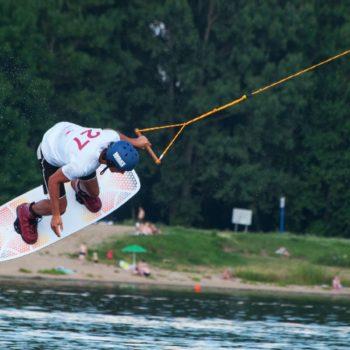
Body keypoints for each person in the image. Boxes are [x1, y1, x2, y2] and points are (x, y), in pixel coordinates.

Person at [13, 121, 150, 244]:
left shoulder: (111, 138)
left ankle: (78, 188)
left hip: (66, 133)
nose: (122, 173)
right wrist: (55, 215)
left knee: (94, 193)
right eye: (121, 170)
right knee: (60, 208)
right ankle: (27, 211)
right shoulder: (83, 165)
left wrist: (135, 142)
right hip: (50, 151)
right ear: (110, 162)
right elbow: (54, 180)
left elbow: (117, 135)